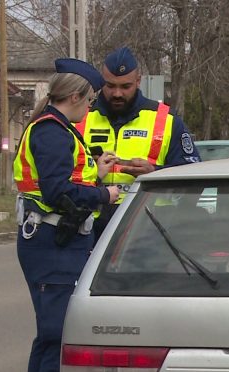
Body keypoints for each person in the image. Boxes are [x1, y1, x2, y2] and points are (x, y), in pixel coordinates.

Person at [14, 58, 119, 372]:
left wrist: (97, 172)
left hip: (58, 242)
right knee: (56, 338)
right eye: (90, 101)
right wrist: (103, 193)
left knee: (53, 338)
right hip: (51, 243)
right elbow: (58, 190)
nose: (91, 108)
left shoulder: (57, 129)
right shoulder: (52, 132)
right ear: (74, 96)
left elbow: (64, 176)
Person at [74, 47, 201, 238]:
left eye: (126, 87)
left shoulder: (166, 120)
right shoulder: (80, 117)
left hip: (149, 229)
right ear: (101, 82)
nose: (117, 93)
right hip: (88, 228)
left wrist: (155, 173)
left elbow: (193, 174)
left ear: (138, 81)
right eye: (110, 86)